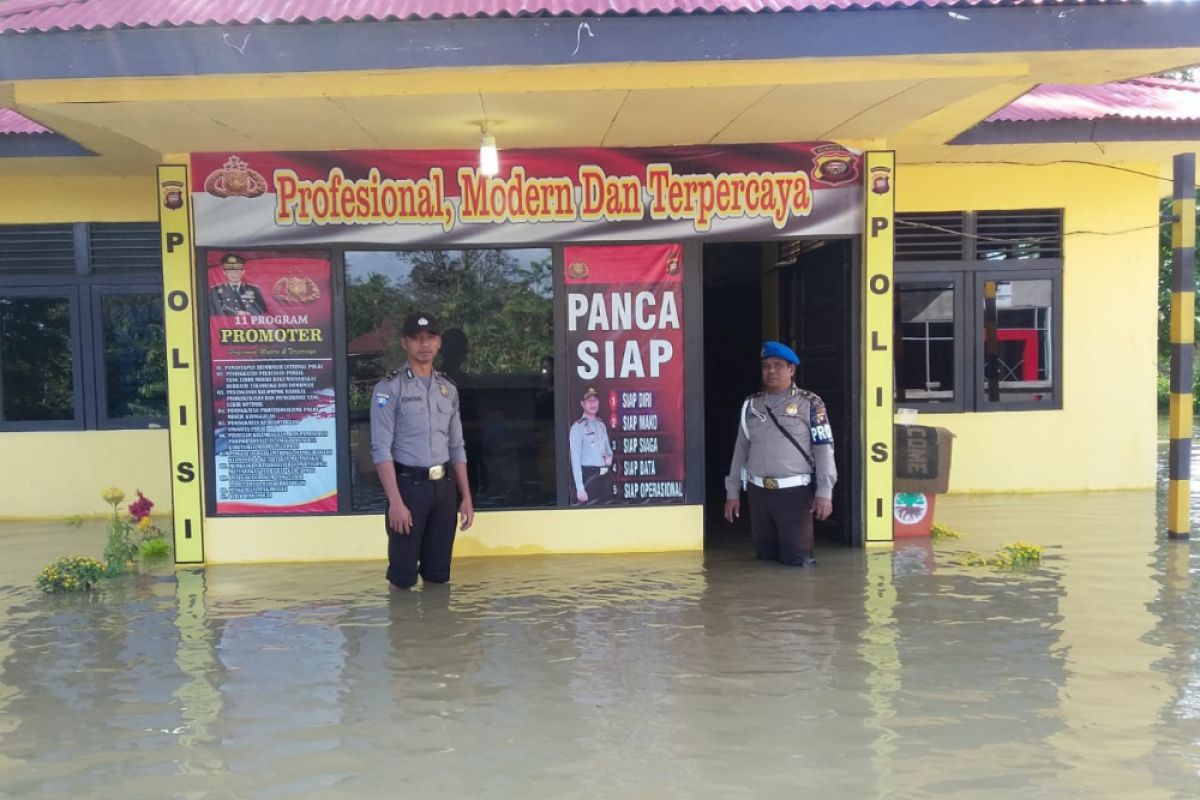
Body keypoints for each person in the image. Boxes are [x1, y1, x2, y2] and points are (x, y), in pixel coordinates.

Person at [370, 311, 474, 591]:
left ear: (438, 342)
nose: (424, 345)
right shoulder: (389, 388)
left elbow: (456, 446)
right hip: (408, 490)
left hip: (443, 491)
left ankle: (435, 634)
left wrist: (465, 497)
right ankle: (404, 633)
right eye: (416, 339)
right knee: (402, 581)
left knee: (438, 578)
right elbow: (381, 448)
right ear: (405, 342)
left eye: (430, 338)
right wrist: (395, 502)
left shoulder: (448, 389)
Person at [724, 341, 836, 567]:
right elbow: (741, 449)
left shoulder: (811, 403)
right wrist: (732, 492)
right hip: (758, 494)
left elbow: (824, 449)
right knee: (764, 559)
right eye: (766, 366)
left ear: (791, 370)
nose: (771, 371)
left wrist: (825, 491)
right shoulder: (751, 405)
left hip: (794, 494)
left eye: (778, 365)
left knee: (798, 561)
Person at [569, 386, 613, 504]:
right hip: (588, 477)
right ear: (582, 404)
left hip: (603, 477)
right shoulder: (577, 428)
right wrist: (580, 488)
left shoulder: (601, 425)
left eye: (595, 400)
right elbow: (575, 461)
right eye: (589, 401)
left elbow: (609, 450)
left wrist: (609, 458)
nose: (593, 404)